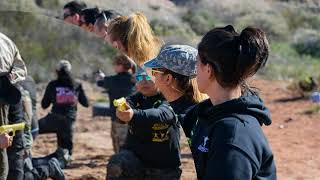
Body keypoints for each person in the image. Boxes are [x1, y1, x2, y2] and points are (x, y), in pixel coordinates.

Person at [184, 25, 277, 179]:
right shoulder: (208, 112)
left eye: (196, 63)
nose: (194, 70)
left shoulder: (232, 137)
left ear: (208, 70)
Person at [107, 71, 181, 180]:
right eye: (140, 77)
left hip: (164, 166)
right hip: (136, 160)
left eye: (148, 77)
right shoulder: (132, 99)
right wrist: (121, 115)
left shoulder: (171, 98)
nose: (144, 81)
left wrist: (133, 114)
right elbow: (122, 116)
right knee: (117, 163)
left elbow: (163, 114)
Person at [144, 45, 206, 143]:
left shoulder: (187, 119)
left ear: (168, 78)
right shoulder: (200, 110)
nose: (153, 76)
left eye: (154, 71)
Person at [38, 60, 89, 161]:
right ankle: (63, 161)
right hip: (68, 122)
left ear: (57, 71)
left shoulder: (52, 84)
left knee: (32, 129)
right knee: (66, 151)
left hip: (53, 120)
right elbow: (86, 104)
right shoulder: (77, 85)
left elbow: (44, 105)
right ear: (70, 71)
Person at [0, 32, 27, 180]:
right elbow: (21, 68)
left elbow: (20, 69)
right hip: (12, 91)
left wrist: (11, 78)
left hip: (8, 94)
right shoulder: (6, 40)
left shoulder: (5, 41)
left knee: (10, 147)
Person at [96, 54, 135, 153]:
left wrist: (101, 77)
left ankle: (121, 163)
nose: (114, 67)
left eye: (115, 64)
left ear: (121, 66)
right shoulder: (133, 79)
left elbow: (100, 83)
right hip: (132, 115)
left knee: (119, 143)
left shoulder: (113, 80)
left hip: (118, 117)